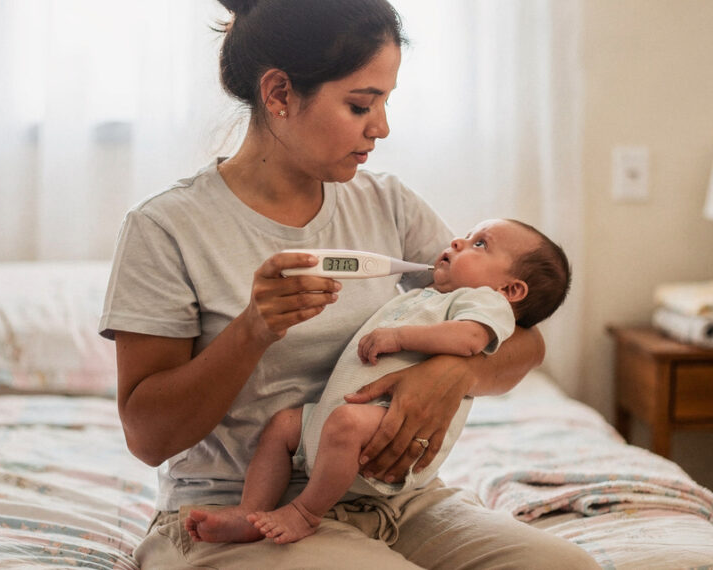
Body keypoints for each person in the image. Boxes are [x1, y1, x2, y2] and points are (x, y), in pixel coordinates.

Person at [99, 0, 599, 567]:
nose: (381, 127)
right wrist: (252, 330)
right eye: (361, 104)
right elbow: (148, 437)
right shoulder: (165, 229)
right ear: (281, 94)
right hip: (236, 510)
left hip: (395, 503)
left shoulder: (388, 204)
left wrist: (455, 372)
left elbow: (525, 341)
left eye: (385, 102)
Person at [184, 218, 572, 545]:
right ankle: (249, 511)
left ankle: (304, 511)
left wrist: (400, 338)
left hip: (385, 429)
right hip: (335, 422)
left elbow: (471, 339)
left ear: (510, 290)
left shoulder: (485, 303)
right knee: (283, 425)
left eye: (480, 243)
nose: (457, 241)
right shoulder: (432, 295)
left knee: (346, 423)